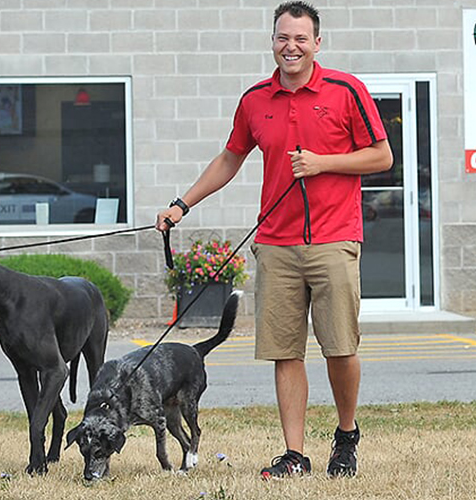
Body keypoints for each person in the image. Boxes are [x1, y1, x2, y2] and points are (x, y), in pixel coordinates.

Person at [155, 0, 391, 480]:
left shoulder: (347, 90)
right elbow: (230, 158)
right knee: (285, 351)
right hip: (276, 243)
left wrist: (324, 162)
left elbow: (381, 156)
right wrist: (184, 204)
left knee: (340, 348)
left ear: (317, 43)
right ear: (272, 40)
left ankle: (346, 435)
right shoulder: (254, 100)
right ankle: (295, 454)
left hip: (334, 238)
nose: (292, 46)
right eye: (284, 37)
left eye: (301, 38)